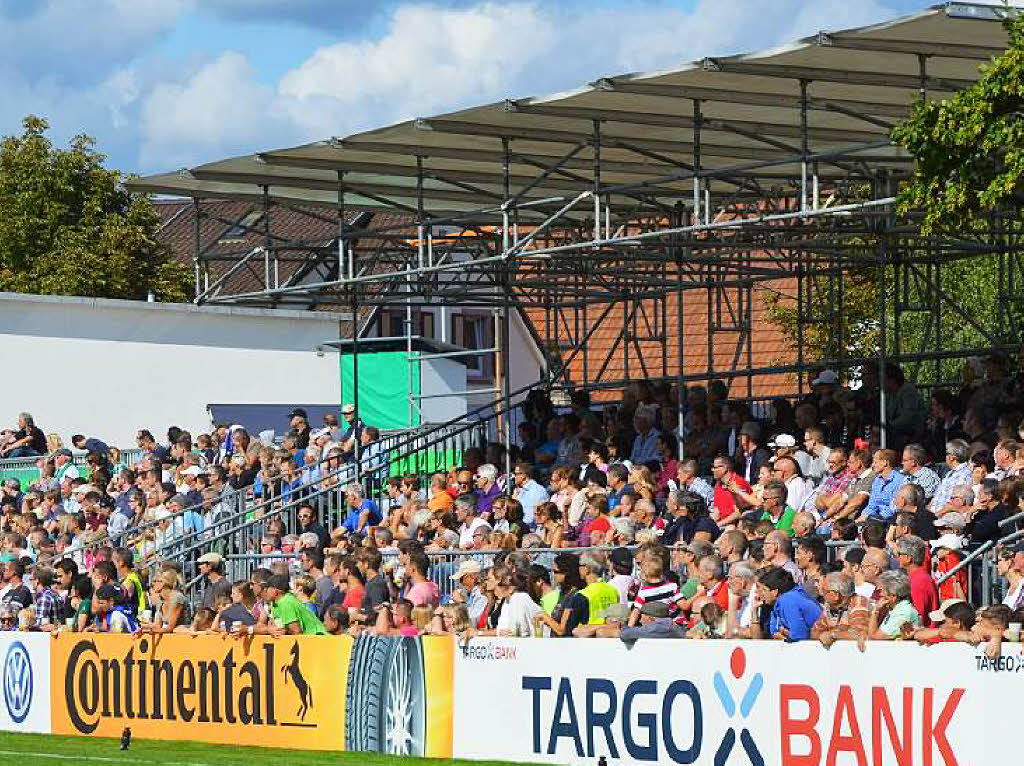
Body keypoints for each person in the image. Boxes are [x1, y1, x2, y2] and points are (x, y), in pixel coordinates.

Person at [757, 566, 821, 642]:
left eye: (764, 590)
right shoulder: (776, 604)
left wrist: (784, 634)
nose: (760, 594)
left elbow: (799, 635)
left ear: (775, 592)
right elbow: (774, 631)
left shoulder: (788, 600)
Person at [535, 552, 589, 637]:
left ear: (567, 573)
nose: (554, 575)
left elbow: (562, 630)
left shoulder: (574, 596)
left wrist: (546, 617)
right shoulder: (563, 593)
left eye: (556, 572)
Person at [252, 574, 326, 635]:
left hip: (319, 641)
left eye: (267, 588)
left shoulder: (286, 602)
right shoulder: (275, 602)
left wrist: (283, 631)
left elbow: (296, 631)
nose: (265, 591)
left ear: (275, 590)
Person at [811, 572, 870, 648]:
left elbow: (859, 633)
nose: (822, 595)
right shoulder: (830, 606)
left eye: (825, 591)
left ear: (835, 595)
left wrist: (832, 635)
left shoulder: (859, 603)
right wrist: (822, 635)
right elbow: (814, 632)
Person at [868, 570, 920, 639]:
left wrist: (875, 611)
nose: (880, 594)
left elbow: (874, 636)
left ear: (893, 596)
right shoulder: (895, 609)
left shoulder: (902, 612)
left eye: (882, 591)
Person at [619, 601, 685, 640]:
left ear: (650, 618)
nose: (640, 621)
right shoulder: (674, 627)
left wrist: (625, 627)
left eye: (642, 617)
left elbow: (625, 634)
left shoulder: (657, 628)